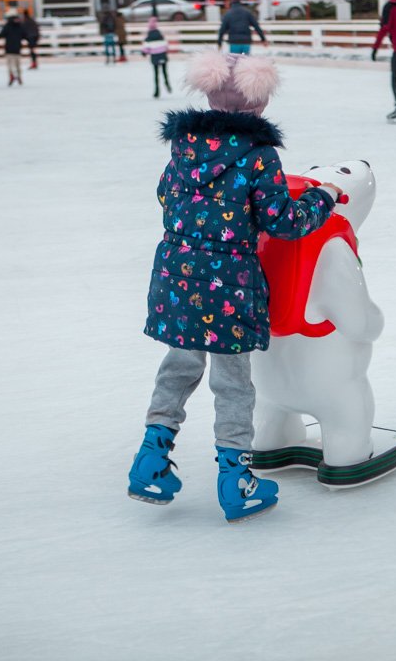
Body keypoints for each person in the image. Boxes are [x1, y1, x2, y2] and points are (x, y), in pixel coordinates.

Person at [129, 50, 343, 523]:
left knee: (178, 366)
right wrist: (321, 198)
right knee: (232, 383)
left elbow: (165, 196)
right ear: (259, 104)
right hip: (228, 283)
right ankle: (235, 479)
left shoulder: (183, 146)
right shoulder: (259, 154)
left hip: (176, 274)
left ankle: (150, 460)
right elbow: (283, 222)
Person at [0, 8, 27, 86]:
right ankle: (19, 76)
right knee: (17, 64)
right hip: (17, 47)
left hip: (9, 48)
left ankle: (12, 76)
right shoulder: (19, 25)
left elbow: (1, 34)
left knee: (10, 64)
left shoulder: (7, 26)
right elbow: (24, 35)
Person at [141, 17, 172, 98]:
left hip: (154, 57)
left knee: (156, 74)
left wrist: (144, 53)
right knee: (165, 72)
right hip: (162, 55)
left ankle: (157, 91)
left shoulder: (148, 38)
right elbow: (166, 46)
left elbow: (146, 48)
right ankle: (167, 84)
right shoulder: (161, 36)